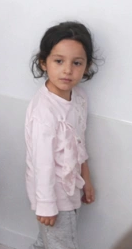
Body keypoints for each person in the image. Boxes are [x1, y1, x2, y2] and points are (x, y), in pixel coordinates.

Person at [25, 21, 99, 249]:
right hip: (53, 196)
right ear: (43, 62)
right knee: (62, 244)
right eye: (59, 61)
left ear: (86, 66)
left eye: (77, 63)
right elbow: (42, 163)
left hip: (72, 187)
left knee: (48, 242)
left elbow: (78, 142)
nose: (67, 70)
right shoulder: (44, 112)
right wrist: (46, 205)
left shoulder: (79, 97)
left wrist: (86, 178)